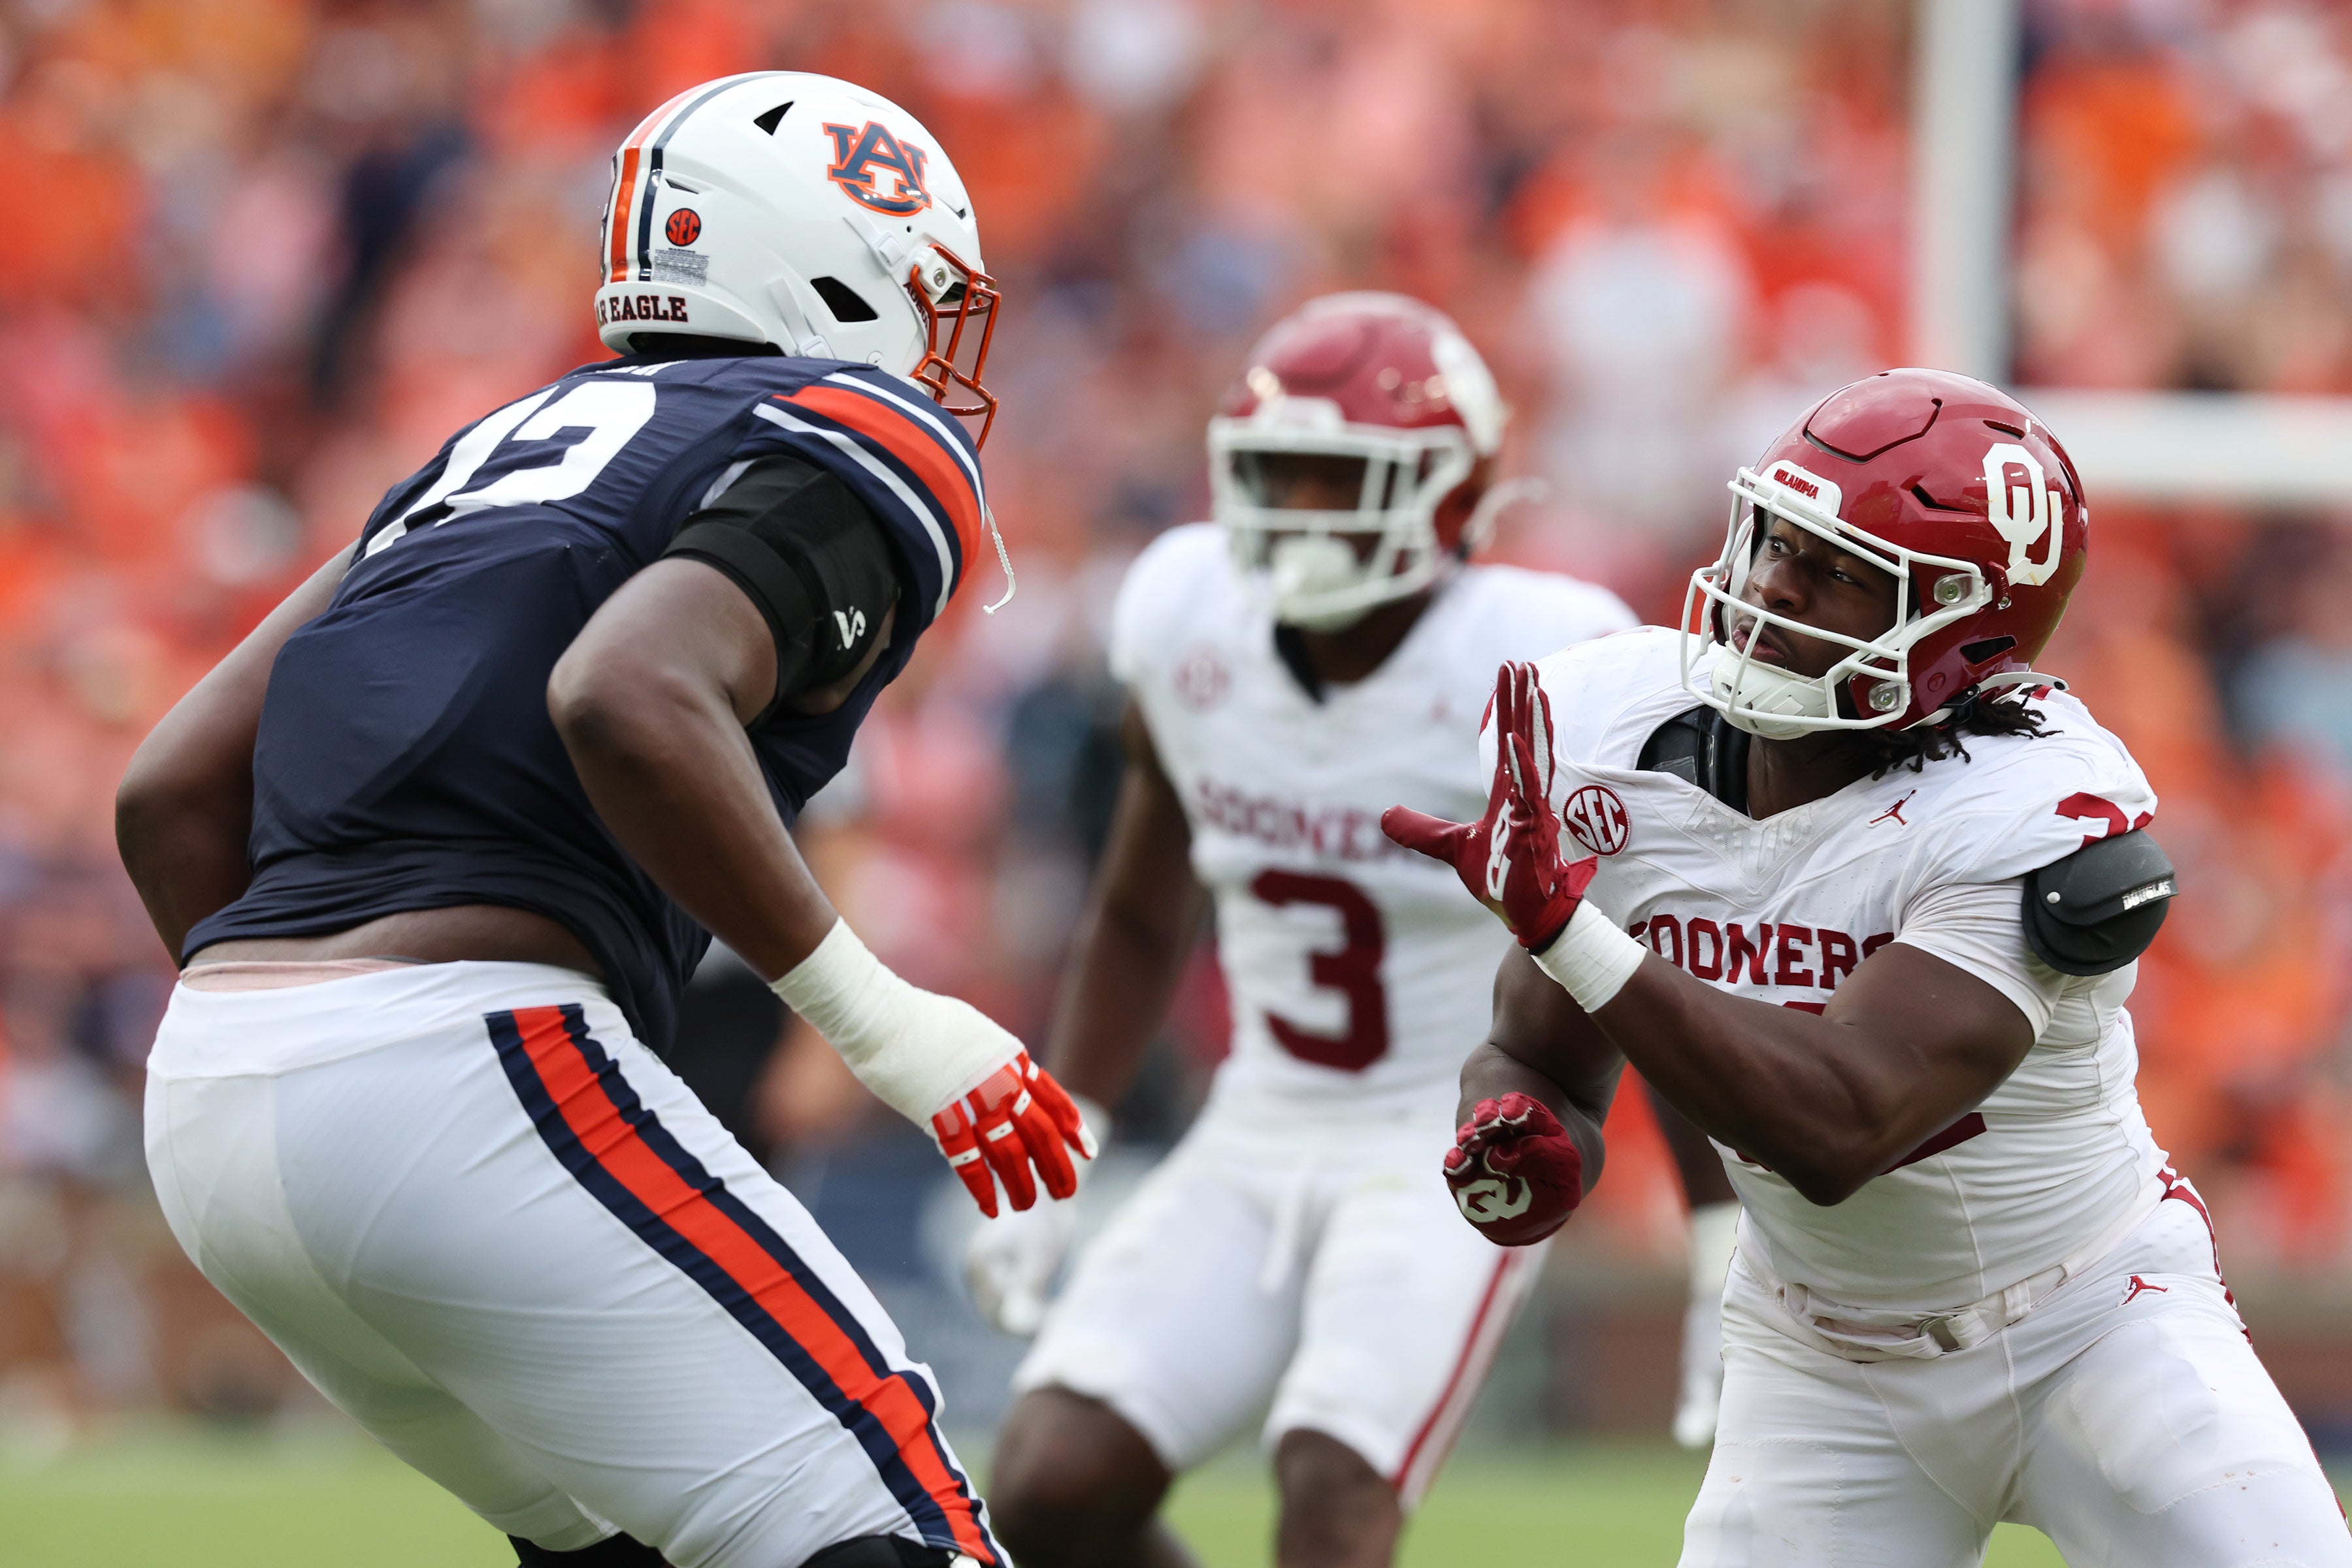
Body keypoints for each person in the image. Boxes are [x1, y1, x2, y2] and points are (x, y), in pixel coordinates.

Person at [114, 72, 1093, 1568]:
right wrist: (887, 1023)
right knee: (901, 1539)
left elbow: (171, 792)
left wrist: (310, 1047)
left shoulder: (487, 449)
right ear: (824, 258)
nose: (937, 342)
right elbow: (628, 694)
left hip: (213, 1102)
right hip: (463, 1062)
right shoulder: (849, 425)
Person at [1388, 368, 2352, 1562]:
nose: (1771, 588)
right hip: (1823, 1357)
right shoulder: (1610, 733)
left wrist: (1573, 935)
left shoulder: (2026, 803)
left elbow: (1843, 1124)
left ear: (1964, 623)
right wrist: (1521, 1124)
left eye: (1840, 571)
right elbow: (1546, 1049)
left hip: (2092, 1320)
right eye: (1774, 540)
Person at [968, 293, 1639, 1568]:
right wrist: (1068, 1144)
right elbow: (1138, 904)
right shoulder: (1186, 613)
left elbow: (1651, 941)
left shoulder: (1548, 659)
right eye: (1278, 475)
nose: (1300, 513)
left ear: (1449, 491)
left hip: (1446, 1135)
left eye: (1342, 480)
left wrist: (1721, 1223)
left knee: (1332, 1487)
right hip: (1260, 1120)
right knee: (1048, 1486)